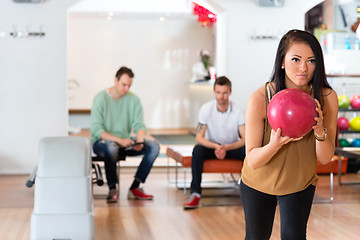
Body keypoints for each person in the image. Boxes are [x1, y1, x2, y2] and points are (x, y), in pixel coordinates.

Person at [240, 29, 338, 239]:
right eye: (296, 59)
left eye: (311, 61)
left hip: (299, 182)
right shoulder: (259, 99)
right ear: (282, 62)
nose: (304, 68)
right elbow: (253, 160)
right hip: (258, 182)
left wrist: (320, 131)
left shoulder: (326, 97)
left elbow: (324, 157)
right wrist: (275, 144)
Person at [90, 66, 160, 203]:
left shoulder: (134, 100)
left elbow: (140, 125)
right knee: (111, 147)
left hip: (124, 141)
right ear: (115, 80)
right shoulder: (100, 99)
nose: (126, 89)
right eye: (123, 84)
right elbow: (97, 130)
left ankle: (135, 187)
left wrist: (139, 140)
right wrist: (120, 140)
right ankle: (112, 188)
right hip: (102, 142)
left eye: (129, 85)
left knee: (154, 147)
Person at [184, 76, 246, 209]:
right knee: (197, 150)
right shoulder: (206, 109)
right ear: (214, 92)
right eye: (218, 92)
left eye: (224, 93)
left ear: (230, 92)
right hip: (213, 147)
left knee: (248, 150)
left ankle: (250, 192)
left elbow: (245, 139)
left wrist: (227, 148)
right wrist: (216, 147)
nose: (221, 96)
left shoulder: (239, 110)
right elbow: (199, 137)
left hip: (231, 147)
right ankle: (195, 193)